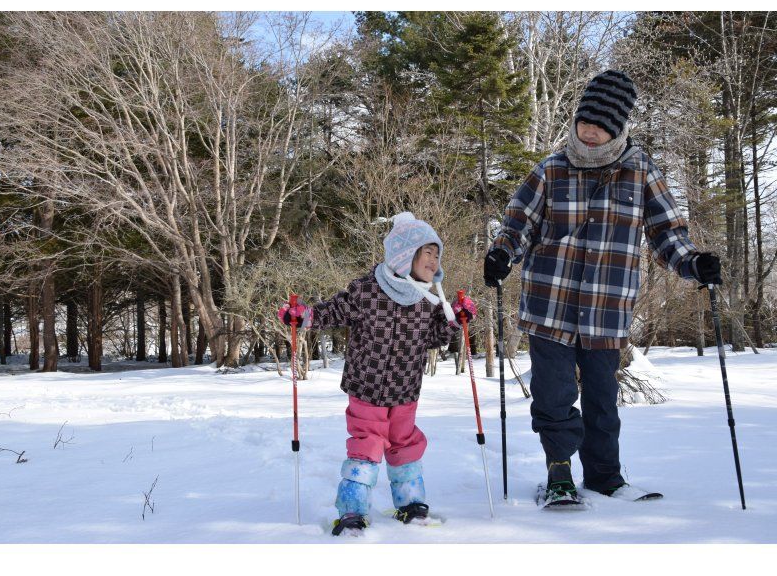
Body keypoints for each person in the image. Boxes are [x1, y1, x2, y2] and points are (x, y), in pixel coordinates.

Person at [483, 70, 722, 507]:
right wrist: (502, 253)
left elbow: (667, 233)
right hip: (549, 305)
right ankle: (559, 474)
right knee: (553, 396)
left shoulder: (640, 171)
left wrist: (693, 263)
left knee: (602, 401)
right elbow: (518, 224)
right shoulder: (550, 170)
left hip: (607, 311)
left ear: (617, 129)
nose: (590, 131)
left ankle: (605, 477)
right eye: (585, 122)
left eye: (601, 125)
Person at [279, 212, 476, 534]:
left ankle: (411, 503)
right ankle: (353, 509)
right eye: (427, 252)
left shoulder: (427, 300)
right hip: (366, 387)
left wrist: (455, 320)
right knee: (366, 447)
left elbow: (434, 337)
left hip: (405, 389)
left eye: (437, 254)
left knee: (405, 445)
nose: (434, 260)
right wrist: (304, 316)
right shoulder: (367, 290)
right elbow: (335, 311)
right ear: (404, 256)